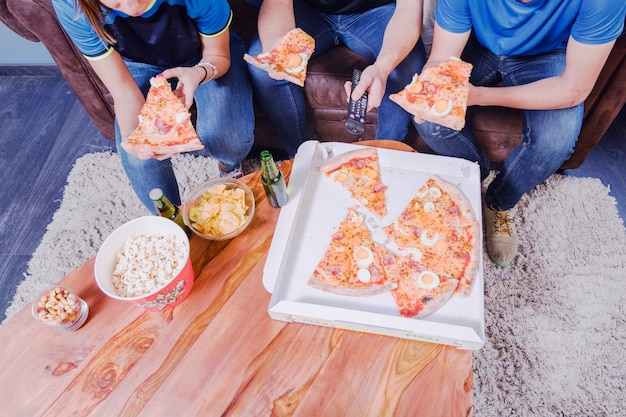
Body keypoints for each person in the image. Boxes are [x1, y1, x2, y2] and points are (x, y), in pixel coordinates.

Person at [414, 0, 626, 267]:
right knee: (431, 122)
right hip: (478, 46)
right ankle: (475, 175)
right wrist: (426, 93)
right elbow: (443, 59)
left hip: (547, 55)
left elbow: (574, 88)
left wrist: (479, 96)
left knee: (556, 141)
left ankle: (499, 202)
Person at [52, 0, 255, 212]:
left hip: (204, 55)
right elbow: (122, 90)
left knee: (228, 136)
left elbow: (218, 55)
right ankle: (171, 218)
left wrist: (200, 72)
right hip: (138, 63)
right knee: (138, 160)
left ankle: (229, 168)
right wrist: (138, 139)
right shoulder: (71, 5)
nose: (132, 8)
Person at [246, 0, 427, 158]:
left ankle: (387, 153)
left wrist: (382, 67)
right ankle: (300, 154)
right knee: (264, 69)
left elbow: (409, 7)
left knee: (406, 66)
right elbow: (278, 2)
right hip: (307, 10)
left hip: (377, 12)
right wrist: (277, 52)